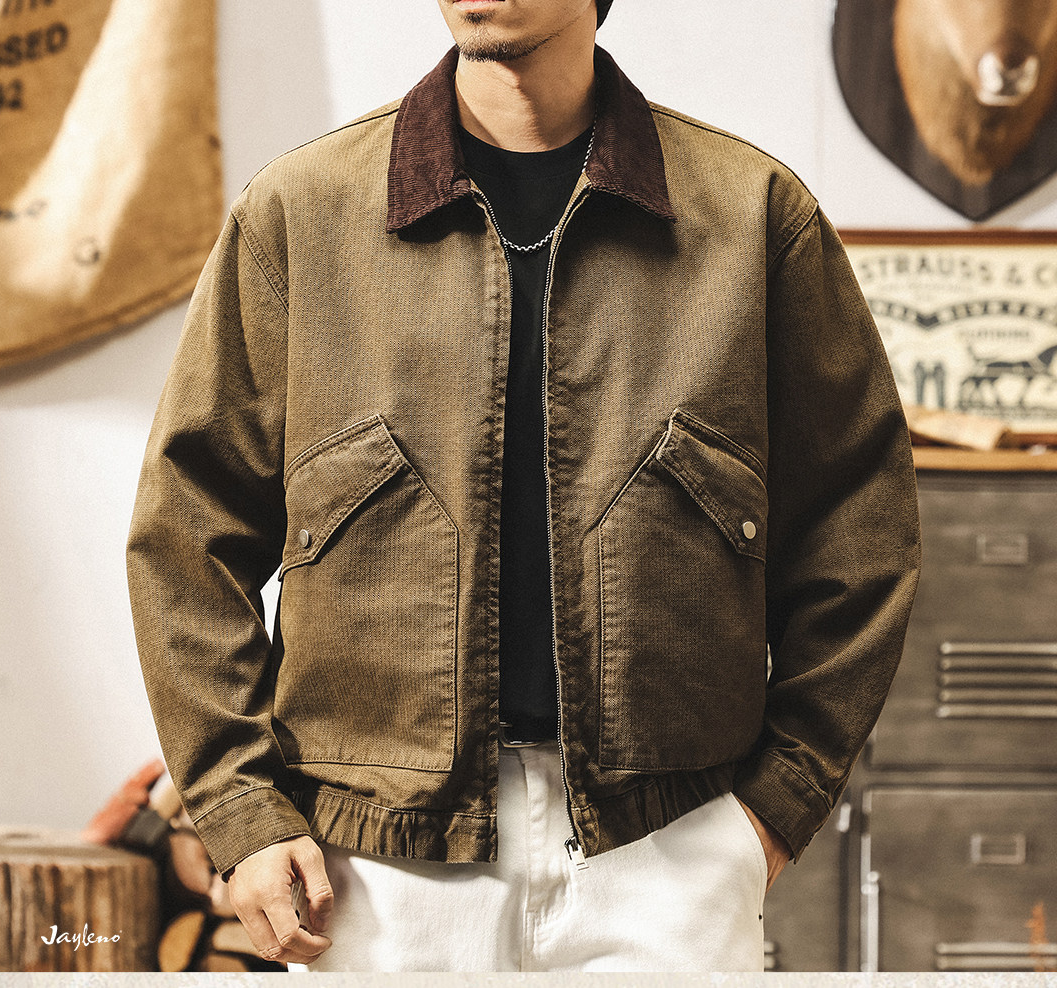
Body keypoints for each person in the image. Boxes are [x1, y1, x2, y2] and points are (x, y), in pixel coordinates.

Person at [127, 0, 921, 972]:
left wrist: (771, 811)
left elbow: (859, 533)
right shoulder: (301, 214)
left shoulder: (752, 217)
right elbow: (186, 537)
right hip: (378, 864)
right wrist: (244, 808)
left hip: (672, 847)